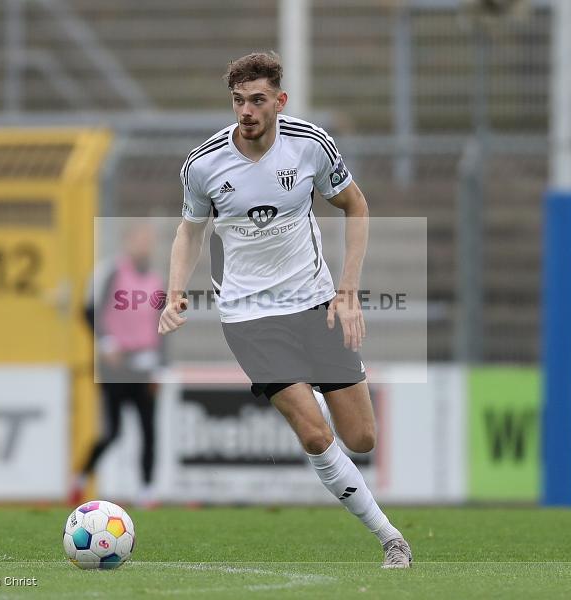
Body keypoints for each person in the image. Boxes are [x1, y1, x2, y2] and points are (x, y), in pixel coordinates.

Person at [158, 52, 412, 568]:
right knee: (316, 433)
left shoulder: (311, 145)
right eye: (237, 101)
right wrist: (174, 290)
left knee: (361, 437)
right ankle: (391, 539)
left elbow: (356, 205)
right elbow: (189, 230)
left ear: (280, 100)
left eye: (256, 100)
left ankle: (320, 391)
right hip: (250, 318)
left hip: (315, 304)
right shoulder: (203, 164)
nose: (246, 111)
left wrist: (348, 289)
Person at [71, 224, 163, 508]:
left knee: (149, 429)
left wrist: (159, 365)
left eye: (148, 241)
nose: (144, 246)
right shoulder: (110, 273)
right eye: (139, 240)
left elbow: (162, 325)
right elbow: (88, 310)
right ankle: (81, 478)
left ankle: (146, 491)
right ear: (127, 242)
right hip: (115, 367)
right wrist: (107, 342)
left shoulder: (157, 281)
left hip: (143, 365)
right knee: (113, 432)